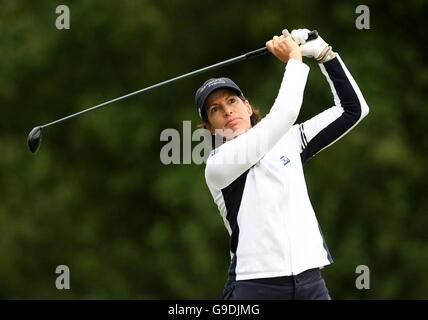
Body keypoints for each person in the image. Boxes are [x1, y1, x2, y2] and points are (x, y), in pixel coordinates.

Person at [194, 28, 369, 300]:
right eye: (215, 109)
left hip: (311, 282)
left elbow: (353, 109)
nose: (227, 110)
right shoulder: (218, 165)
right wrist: (294, 61)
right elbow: (285, 113)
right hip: (255, 287)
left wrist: (325, 55)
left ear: (247, 106)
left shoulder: (289, 140)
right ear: (210, 128)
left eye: (231, 101)